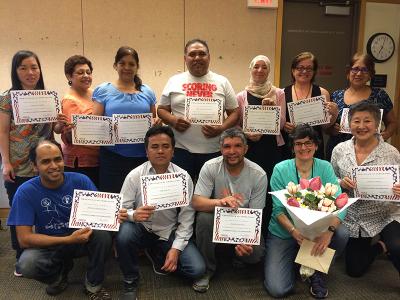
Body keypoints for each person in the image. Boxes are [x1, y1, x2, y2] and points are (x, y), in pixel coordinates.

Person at [6, 140, 112, 299]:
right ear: (34, 166)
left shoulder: (81, 180)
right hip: (51, 243)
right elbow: (24, 239)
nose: (54, 166)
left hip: (81, 237)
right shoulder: (25, 192)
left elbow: (101, 215)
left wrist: (113, 214)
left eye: (58, 159)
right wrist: (68, 239)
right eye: (46, 161)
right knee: (26, 264)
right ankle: (58, 278)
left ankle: (93, 284)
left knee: (103, 235)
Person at [116, 125, 205, 300]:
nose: (160, 151)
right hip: (141, 229)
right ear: (147, 151)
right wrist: (135, 214)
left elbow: (187, 219)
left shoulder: (183, 177)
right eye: (154, 147)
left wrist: (176, 249)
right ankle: (130, 280)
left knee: (196, 270)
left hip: (168, 231)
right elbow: (119, 212)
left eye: (165, 146)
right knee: (124, 234)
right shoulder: (135, 176)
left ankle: (158, 253)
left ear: (173, 151)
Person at [265, 124, 349, 299]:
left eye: (309, 143)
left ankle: (316, 271)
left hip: (318, 231)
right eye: (298, 143)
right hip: (285, 232)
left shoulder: (324, 167)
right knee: (278, 289)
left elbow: (340, 205)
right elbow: (278, 211)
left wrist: (328, 232)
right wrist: (294, 231)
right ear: (293, 147)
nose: (304, 147)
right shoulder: (281, 169)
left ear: (316, 145)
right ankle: (298, 261)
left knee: (341, 234)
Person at [192, 127, 267, 292]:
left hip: (244, 223)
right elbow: (196, 202)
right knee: (204, 218)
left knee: (256, 255)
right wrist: (220, 202)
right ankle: (207, 269)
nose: (232, 151)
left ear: (246, 149)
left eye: (238, 146)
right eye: (227, 146)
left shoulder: (258, 174)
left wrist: (245, 240)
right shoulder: (210, 167)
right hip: (218, 218)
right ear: (221, 149)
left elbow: (256, 216)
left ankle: (234, 255)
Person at [331, 102, 400, 278]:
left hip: (384, 213)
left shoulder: (391, 153)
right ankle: (379, 247)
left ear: (377, 123)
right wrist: (341, 182)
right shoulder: (340, 150)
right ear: (349, 123)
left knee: (397, 246)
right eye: (356, 121)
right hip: (353, 216)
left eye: (367, 121)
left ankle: (387, 243)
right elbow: (331, 179)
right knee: (354, 270)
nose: (361, 126)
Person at [158, 38, 239, 181]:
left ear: (209, 57)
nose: (197, 58)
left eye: (202, 54)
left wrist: (221, 128)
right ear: (185, 58)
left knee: (211, 195)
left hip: (213, 150)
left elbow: (235, 113)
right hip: (180, 150)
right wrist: (173, 120)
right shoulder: (174, 80)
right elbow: (162, 110)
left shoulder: (222, 82)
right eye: (192, 54)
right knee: (181, 195)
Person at [0, 50, 53, 267]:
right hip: (17, 164)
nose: (30, 72)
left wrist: (58, 122)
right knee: (19, 210)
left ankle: (43, 249)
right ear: (15, 71)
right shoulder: (7, 98)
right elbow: (2, 132)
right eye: (23, 68)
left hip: (42, 164)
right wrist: (6, 162)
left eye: (34, 67)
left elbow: (51, 133)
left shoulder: (48, 96)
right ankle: (20, 256)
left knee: (43, 207)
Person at [92, 46, 158, 193]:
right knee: (115, 201)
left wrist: (157, 123)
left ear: (137, 67)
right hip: (112, 159)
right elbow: (94, 125)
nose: (127, 67)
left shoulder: (147, 91)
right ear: (115, 65)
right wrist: (108, 128)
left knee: (141, 202)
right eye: (122, 63)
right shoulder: (104, 90)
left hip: (143, 158)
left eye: (131, 64)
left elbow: (154, 124)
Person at [236, 54, 286, 225]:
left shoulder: (279, 93)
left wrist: (270, 112)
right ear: (251, 69)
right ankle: (248, 225)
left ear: (269, 70)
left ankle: (266, 227)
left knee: (269, 188)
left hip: (271, 148)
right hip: (250, 148)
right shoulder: (241, 96)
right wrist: (246, 134)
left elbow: (281, 125)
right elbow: (237, 126)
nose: (260, 70)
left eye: (264, 67)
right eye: (256, 66)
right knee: (250, 187)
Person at [326, 53, 398, 161]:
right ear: (348, 72)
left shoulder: (379, 95)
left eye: (364, 70)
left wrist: (386, 134)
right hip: (339, 153)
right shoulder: (336, 96)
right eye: (355, 69)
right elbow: (326, 127)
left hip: (372, 152)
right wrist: (332, 129)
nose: (359, 73)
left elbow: (393, 122)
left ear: (370, 74)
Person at [282, 52, 338, 160]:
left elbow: (325, 127)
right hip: (290, 148)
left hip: (314, 148)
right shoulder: (282, 93)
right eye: (300, 68)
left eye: (309, 68)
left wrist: (334, 114)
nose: (304, 71)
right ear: (293, 70)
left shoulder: (322, 93)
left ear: (314, 72)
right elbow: (279, 123)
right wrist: (284, 125)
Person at [54, 55, 99, 187]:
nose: (86, 76)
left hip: (98, 158)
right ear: (69, 76)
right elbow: (71, 136)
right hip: (80, 162)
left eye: (88, 72)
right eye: (80, 72)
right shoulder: (69, 100)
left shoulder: (96, 93)